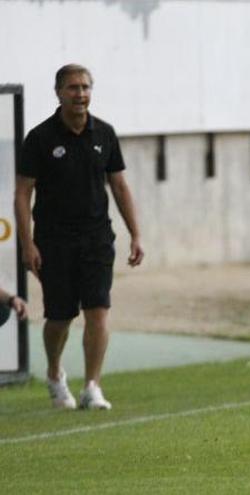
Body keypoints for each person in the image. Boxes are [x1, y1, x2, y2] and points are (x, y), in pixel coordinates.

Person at [14, 64, 145, 410]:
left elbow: (119, 185)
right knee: (60, 317)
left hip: (97, 238)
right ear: (58, 92)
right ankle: (55, 374)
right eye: (73, 88)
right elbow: (23, 194)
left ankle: (92, 385)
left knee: (98, 311)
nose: (80, 94)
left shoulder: (105, 133)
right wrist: (27, 244)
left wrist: (135, 234)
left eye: (85, 87)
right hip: (54, 241)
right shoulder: (40, 138)